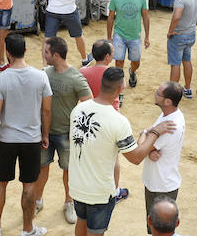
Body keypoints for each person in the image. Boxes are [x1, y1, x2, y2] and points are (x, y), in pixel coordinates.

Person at [68, 67, 175, 236]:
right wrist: (154, 132)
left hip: (77, 185)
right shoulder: (118, 121)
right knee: (95, 231)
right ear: (120, 89)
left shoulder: (78, 110)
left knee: (82, 220)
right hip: (99, 192)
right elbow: (136, 157)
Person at [0, 33, 52, 236]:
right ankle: (28, 229)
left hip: (7, 139)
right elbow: (47, 110)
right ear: (25, 51)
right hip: (31, 139)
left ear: (7, 53)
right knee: (29, 184)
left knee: (0, 182)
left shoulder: (1, 79)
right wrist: (45, 134)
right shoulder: (40, 76)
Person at [33, 37, 92, 225]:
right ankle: (38, 200)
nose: (44, 55)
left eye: (46, 53)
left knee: (69, 171)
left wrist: (76, 129)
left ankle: (69, 202)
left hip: (67, 134)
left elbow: (89, 106)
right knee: (42, 168)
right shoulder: (44, 73)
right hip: (45, 132)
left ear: (56, 55)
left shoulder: (76, 77)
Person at [141, 82, 186, 233]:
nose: (155, 93)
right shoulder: (169, 114)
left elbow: (140, 149)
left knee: (158, 231)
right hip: (160, 182)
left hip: (160, 187)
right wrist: (149, 145)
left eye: (158, 93)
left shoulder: (170, 126)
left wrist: (144, 133)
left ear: (168, 102)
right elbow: (148, 146)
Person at [108, 0, 150, 87]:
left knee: (136, 62)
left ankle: (132, 72)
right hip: (119, 35)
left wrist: (147, 36)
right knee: (119, 62)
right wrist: (109, 37)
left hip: (135, 36)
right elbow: (111, 17)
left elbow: (145, 16)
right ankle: (120, 85)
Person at [166, 0, 197, 98]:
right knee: (186, 61)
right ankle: (187, 88)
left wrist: (170, 31)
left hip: (179, 34)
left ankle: (172, 93)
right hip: (190, 34)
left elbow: (176, 17)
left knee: (175, 63)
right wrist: (195, 24)